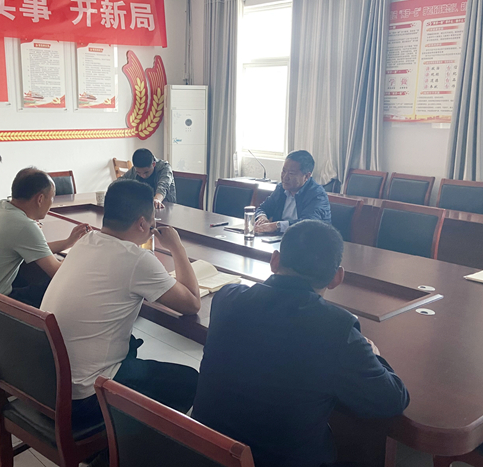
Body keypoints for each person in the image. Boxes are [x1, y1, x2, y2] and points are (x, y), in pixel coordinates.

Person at [192, 220, 410, 467]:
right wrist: (372, 352)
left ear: (275, 260)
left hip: (204, 453)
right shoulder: (336, 329)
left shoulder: (227, 298)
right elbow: (391, 400)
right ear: (337, 277)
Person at [40, 179, 200, 427]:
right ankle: (130, 441)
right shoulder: (136, 259)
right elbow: (192, 303)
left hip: (47, 385)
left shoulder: (85, 242)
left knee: (133, 350)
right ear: (142, 223)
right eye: (152, 224)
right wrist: (176, 247)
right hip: (84, 399)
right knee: (190, 380)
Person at [0, 167, 89, 313]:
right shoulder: (23, 225)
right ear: (40, 199)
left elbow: (36, 249)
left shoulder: (1, 207)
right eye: (52, 197)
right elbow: (58, 273)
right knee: (55, 288)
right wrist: (80, 254)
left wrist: (68, 243)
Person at [254, 150, 331, 234]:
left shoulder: (317, 195)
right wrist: (262, 217)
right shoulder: (281, 188)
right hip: (280, 238)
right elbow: (263, 208)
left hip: (308, 240)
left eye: (291, 173)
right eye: (284, 171)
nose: (285, 177)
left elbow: (308, 225)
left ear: (306, 176)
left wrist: (277, 226)